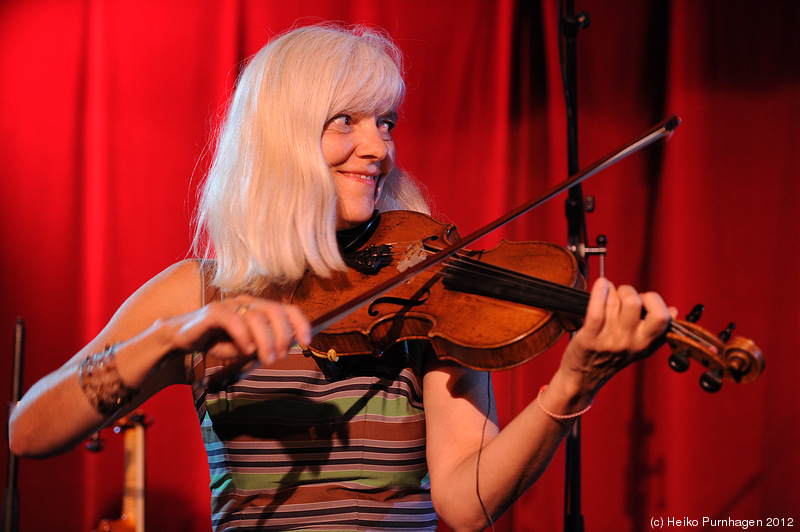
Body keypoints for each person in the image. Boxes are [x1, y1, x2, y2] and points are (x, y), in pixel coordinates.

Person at [8, 23, 673, 531]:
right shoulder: (202, 293)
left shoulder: (428, 286)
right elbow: (29, 432)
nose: (379, 147)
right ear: (285, 138)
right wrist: (163, 341)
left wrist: (571, 384)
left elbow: (466, 505)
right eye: (346, 122)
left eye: (385, 122)